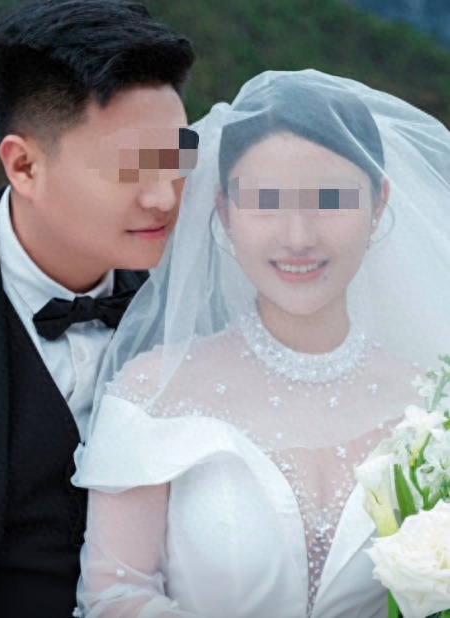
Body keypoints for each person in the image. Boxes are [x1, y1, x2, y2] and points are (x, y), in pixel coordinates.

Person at [73, 70, 450, 618]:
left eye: (330, 199)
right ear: (225, 212)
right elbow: (114, 594)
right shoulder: (152, 392)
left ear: (378, 203)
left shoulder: (432, 404)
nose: (298, 237)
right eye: (266, 202)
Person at [0, 1, 196, 616]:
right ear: (24, 165)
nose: (163, 198)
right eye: (129, 167)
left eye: (177, 158)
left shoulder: (201, 292)